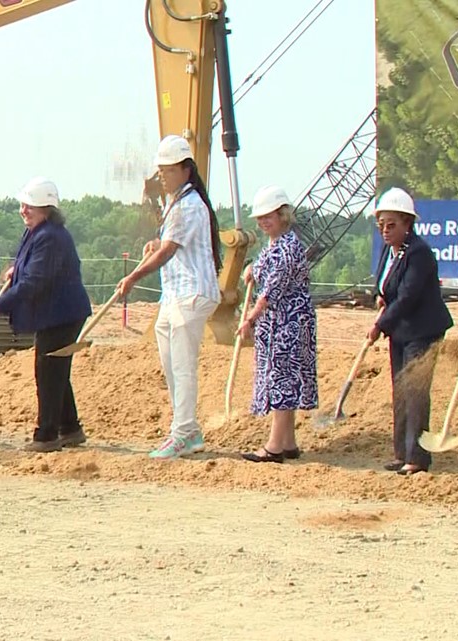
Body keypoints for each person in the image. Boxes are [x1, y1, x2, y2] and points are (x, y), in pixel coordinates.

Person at [116, 135, 222, 459]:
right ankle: (188, 430)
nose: (161, 175)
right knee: (171, 363)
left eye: (167, 169)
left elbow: (169, 252)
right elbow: (167, 248)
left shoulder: (188, 205)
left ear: (185, 170)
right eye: (160, 170)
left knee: (183, 366)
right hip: (174, 295)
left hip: (191, 294)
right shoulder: (176, 204)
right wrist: (155, 245)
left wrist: (133, 276)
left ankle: (182, 432)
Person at [0, 177, 92, 453]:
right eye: (23, 204)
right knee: (55, 369)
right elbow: (28, 268)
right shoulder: (38, 231)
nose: (23, 210)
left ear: (45, 208)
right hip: (55, 313)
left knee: (48, 370)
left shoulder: (51, 237)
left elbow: (35, 281)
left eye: (29, 206)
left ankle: (47, 435)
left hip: (63, 314)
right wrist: (14, 270)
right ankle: (70, 428)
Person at [370, 187, 453, 475]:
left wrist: (380, 325)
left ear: (408, 223)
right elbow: (387, 286)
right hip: (401, 331)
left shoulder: (419, 253)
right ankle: (401, 453)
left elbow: (408, 296)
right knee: (400, 390)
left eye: (392, 224)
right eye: (381, 224)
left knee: (415, 391)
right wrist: (380, 297)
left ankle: (417, 458)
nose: (385, 230)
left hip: (423, 330)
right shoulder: (389, 251)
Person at [237, 186, 318, 463]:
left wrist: (249, 319)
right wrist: (250, 270)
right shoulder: (275, 244)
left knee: (283, 380)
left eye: (268, 216)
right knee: (282, 378)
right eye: (259, 218)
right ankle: (288, 442)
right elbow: (260, 269)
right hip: (278, 323)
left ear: (283, 214)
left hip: (288, 324)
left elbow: (271, 291)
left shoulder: (288, 246)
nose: (262, 222)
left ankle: (274, 446)